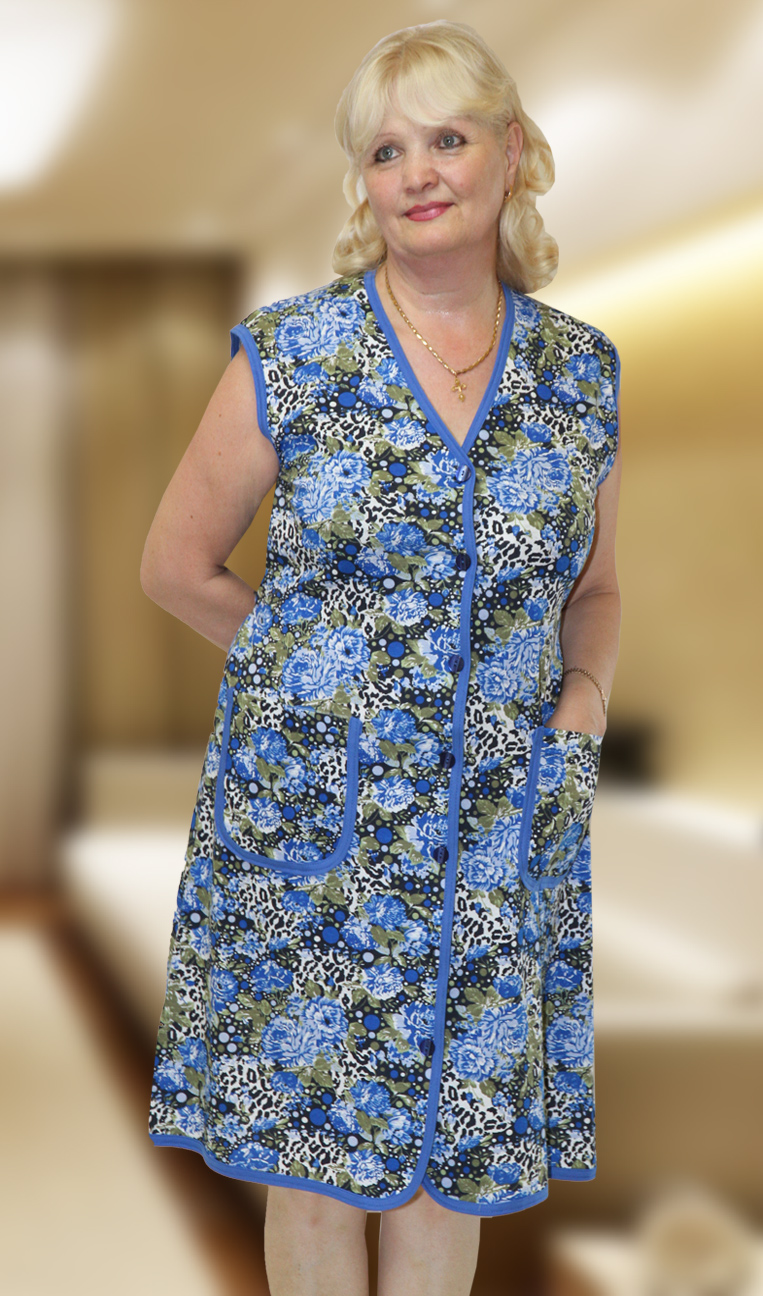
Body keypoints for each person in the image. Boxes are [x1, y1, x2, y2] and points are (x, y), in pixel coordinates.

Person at [140, 18, 622, 1296]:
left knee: (449, 1163)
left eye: (446, 139)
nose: (417, 173)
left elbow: (595, 589)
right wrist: (309, 684)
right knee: (312, 1161)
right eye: (384, 150)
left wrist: (583, 697)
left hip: (497, 820)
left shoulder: (580, 377)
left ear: (511, 151)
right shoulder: (293, 353)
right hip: (318, 817)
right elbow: (176, 565)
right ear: (362, 182)